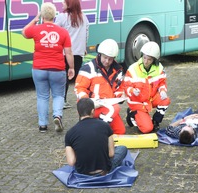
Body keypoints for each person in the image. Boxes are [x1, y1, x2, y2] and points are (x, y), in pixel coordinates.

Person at [22, 2, 75, 133]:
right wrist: (71, 68)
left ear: (42, 15)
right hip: (57, 69)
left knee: (42, 96)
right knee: (58, 95)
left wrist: (35, 19)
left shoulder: (36, 29)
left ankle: (43, 125)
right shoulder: (63, 32)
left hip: (39, 69)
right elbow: (68, 52)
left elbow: (23, 32)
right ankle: (57, 115)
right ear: (54, 15)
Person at [74, 39, 126, 134]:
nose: (107, 61)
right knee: (116, 108)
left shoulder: (117, 70)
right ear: (99, 54)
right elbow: (79, 88)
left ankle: (99, 126)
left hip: (107, 107)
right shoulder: (88, 68)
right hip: (91, 107)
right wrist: (88, 102)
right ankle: (98, 129)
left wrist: (120, 96)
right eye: (105, 57)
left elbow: (119, 88)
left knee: (120, 131)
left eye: (110, 59)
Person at [65, 98, 128, 175]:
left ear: (78, 112)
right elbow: (111, 154)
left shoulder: (70, 133)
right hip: (104, 170)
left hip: (82, 172)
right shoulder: (105, 126)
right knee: (122, 148)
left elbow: (71, 162)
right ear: (92, 111)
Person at [124, 41, 171, 133]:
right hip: (138, 102)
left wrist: (162, 91)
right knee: (147, 129)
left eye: (149, 59)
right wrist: (132, 91)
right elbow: (126, 86)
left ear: (154, 60)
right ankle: (132, 114)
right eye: (144, 57)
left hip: (150, 98)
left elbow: (162, 82)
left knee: (165, 100)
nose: (145, 61)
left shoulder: (159, 68)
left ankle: (156, 121)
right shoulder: (133, 69)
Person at [55, 0, 89, 109]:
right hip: (78, 52)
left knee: (63, 76)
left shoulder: (62, 17)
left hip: (64, 52)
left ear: (69, 4)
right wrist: (84, 47)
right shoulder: (83, 17)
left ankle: (62, 100)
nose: (62, 4)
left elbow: (55, 32)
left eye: (64, 2)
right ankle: (82, 99)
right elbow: (86, 33)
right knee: (77, 78)